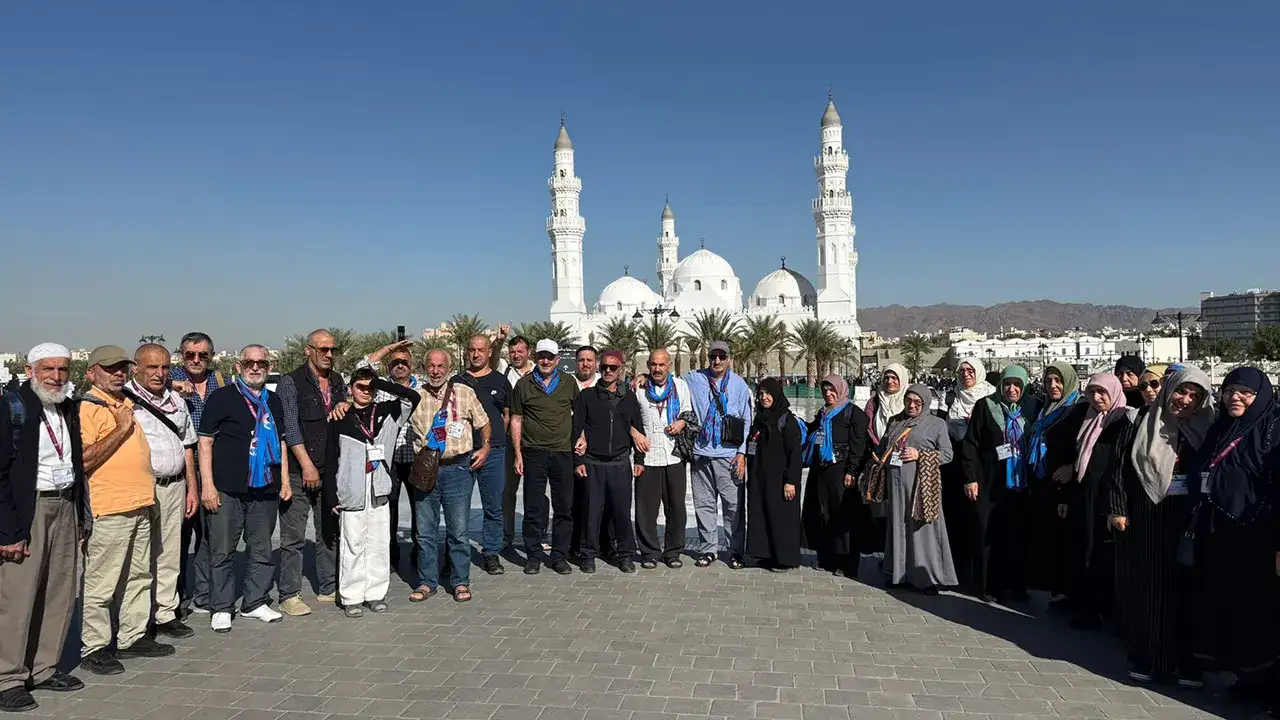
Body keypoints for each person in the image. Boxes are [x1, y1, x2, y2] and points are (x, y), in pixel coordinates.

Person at [1108, 367, 1214, 685]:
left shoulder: (1208, 427)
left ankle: (1187, 661)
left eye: (1195, 396)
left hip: (1191, 517)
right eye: (1181, 391)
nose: (1185, 400)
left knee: (1190, 589)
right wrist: (1117, 509)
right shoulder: (1141, 422)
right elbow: (1118, 468)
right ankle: (1151, 658)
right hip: (1150, 515)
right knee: (1154, 588)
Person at [0, 344, 88, 713]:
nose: (55, 376)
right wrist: (8, 531)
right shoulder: (12, 408)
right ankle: (8, 678)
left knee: (60, 589)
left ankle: (45, 666)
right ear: (29, 369)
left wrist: (82, 516)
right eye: (48, 369)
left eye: (62, 370)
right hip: (30, 508)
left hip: (65, 503)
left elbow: (76, 462)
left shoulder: (66, 407)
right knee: (17, 598)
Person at [78, 346, 171, 674]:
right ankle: (95, 646)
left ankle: (132, 636)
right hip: (110, 508)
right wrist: (120, 428)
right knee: (102, 582)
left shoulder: (124, 403)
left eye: (122, 367)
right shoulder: (88, 407)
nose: (118, 373)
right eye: (109, 368)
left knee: (139, 575)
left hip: (140, 504)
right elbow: (84, 460)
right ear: (91, 373)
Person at [1187, 367, 1278, 703]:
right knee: (1228, 606)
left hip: (1255, 535)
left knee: (1254, 610)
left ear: (1260, 396)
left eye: (1244, 392)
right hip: (1219, 531)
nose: (1234, 398)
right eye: (1228, 391)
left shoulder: (1271, 429)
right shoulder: (1221, 427)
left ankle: (1259, 682)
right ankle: (1239, 676)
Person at [199, 345, 292, 633]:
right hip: (227, 488)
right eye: (249, 362)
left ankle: (254, 601)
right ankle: (222, 606)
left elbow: (283, 442)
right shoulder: (222, 398)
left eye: (261, 363)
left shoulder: (274, 401)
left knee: (262, 548)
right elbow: (205, 442)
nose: (255, 367)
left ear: (268, 366)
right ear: (238, 366)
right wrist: (207, 486)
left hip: (265, 487)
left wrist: (285, 480)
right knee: (223, 549)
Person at [323, 366, 420, 617]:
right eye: (360, 387)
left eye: (370, 387)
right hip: (352, 488)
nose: (365, 391)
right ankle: (351, 596)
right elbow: (331, 459)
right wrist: (332, 494)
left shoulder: (389, 412)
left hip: (379, 486)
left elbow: (412, 397)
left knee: (378, 542)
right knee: (353, 543)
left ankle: (375, 594)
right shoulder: (340, 417)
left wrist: (380, 384)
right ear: (350, 389)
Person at [125, 344, 198, 641]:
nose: (159, 373)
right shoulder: (124, 400)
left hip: (175, 484)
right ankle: (138, 621)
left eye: (165, 367)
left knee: (170, 551)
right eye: (152, 367)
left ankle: (166, 611)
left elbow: (187, 444)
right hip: (143, 486)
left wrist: (192, 487)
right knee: (141, 557)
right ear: (136, 367)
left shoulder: (176, 400)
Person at [407, 349, 491, 602]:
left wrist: (485, 446)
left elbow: (484, 422)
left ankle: (460, 581)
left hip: (457, 469)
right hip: (425, 470)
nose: (435, 370)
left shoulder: (464, 393)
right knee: (425, 531)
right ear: (424, 368)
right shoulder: (415, 397)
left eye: (440, 366)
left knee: (458, 530)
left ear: (449, 368)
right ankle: (427, 582)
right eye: (431, 365)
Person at [1049, 373, 1129, 629]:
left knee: (1103, 556)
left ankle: (1103, 611)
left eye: (1102, 392)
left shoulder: (1124, 420)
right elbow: (1077, 458)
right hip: (1083, 495)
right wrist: (1067, 494)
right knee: (1083, 550)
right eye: (1092, 392)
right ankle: (1085, 607)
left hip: (1109, 501)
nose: (1096, 398)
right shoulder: (1086, 419)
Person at [277, 329, 346, 616]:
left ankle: (328, 587)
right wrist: (306, 465)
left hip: (329, 468)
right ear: (308, 350)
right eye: (323, 349)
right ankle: (289, 594)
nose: (329, 355)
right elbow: (290, 428)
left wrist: (345, 403)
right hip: (298, 469)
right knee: (293, 537)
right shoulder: (290, 383)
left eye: (332, 349)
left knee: (328, 531)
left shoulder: (338, 381)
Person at [960, 365, 1042, 603]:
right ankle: (989, 586)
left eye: (1017, 384)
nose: (1012, 389)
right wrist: (971, 478)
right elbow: (971, 444)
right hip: (989, 483)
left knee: (1017, 535)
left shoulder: (1032, 407)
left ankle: (1017, 585)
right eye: (1007, 384)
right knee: (989, 533)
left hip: (1021, 485)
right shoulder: (986, 407)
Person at [169, 331, 231, 617]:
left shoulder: (222, 383)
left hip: (214, 471)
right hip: (180, 472)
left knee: (210, 537)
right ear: (181, 354)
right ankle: (173, 598)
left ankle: (204, 595)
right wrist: (171, 383)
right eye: (190, 354)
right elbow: (138, 385)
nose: (196, 360)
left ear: (211, 356)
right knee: (176, 541)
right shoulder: (168, 380)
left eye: (202, 355)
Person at [871, 384, 956, 593]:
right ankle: (899, 574)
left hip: (921, 486)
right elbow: (883, 447)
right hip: (896, 485)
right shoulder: (895, 421)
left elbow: (947, 454)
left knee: (922, 529)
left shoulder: (936, 424)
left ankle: (926, 578)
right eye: (909, 401)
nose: (912, 405)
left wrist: (920, 455)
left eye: (917, 402)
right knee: (898, 526)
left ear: (925, 402)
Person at [570, 349, 644, 573]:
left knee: (621, 513)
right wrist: (578, 461)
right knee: (591, 512)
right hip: (593, 463)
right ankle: (588, 555)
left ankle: (624, 555)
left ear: (620, 369)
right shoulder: (587, 396)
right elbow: (577, 430)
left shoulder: (629, 398)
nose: (608, 371)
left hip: (620, 463)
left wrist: (639, 459)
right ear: (599, 369)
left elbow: (638, 429)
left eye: (613, 367)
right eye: (604, 367)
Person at [510, 340, 579, 575]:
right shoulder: (523, 384)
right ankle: (533, 556)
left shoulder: (569, 383)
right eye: (541, 356)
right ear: (535, 357)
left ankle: (559, 556)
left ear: (558, 359)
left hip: (562, 453)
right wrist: (518, 453)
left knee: (563, 507)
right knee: (533, 507)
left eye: (550, 357)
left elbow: (579, 415)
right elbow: (516, 419)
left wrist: (582, 439)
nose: (546, 361)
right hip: (533, 453)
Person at [354, 340, 422, 570]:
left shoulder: (421, 388)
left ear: (412, 365)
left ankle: (418, 551)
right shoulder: (379, 388)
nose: (400, 366)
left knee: (419, 508)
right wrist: (389, 348)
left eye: (405, 362)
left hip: (415, 457)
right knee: (388, 508)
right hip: (388, 459)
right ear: (388, 365)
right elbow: (363, 366)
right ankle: (390, 554)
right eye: (395, 362)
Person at [685, 340, 752, 569]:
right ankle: (708, 549)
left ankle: (735, 551)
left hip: (729, 455)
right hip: (701, 454)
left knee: (733, 507)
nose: (717, 361)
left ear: (729, 359)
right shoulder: (694, 379)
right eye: (713, 356)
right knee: (704, 505)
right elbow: (669, 384)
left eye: (722, 357)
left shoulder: (739, 385)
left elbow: (746, 420)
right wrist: (643, 377)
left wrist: (742, 453)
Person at [455, 334, 513, 575]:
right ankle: (456, 555)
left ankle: (491, 553)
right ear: (466, 352)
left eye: (481, 350)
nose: (476, 354)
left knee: (493, 507)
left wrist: (497, 439)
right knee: (458, 508)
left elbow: (508, 414)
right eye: (472, 350)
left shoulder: (501, 381)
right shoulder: (457, 381)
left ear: (489, 352)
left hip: (494, 452)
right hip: (463, 452)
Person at [800, 374, 869, 577]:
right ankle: (827, 557)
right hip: (821, 470)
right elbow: (812, 431)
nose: (828, 393)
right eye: (825, 390)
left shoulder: (853, 413)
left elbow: (858, 445)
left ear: (840, 390)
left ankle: (846, 562)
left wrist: (852, 471)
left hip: (842, 470)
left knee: (843, 515)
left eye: (832, 390)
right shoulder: (823, 413)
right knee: (823, 513)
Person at [633, 349, 695, 569]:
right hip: (648, 458)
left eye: (661, 365)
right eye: (653, 365)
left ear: (669, 365)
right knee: (646, 509)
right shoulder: (638, 388)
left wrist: (681, 423)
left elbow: (688, 413)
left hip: (673, 456)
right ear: (648, 365)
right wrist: (634, 433)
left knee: (676, 508)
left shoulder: (680, 387)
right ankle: (649, 552)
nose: (657, 369)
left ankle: (673, 552)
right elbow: (628, 416)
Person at [940, 358, 995, 591]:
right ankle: (956, 569)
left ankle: (981, 573)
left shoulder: (991, 397)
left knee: (979, 517)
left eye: (971, 370)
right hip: (954, 461)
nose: (966, 374)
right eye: (961, 370)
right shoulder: (951, 397)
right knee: (955, 514)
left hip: (982, 463)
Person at [745, 378, 804, 572]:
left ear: (777, 394)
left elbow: (795, 454)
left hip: (781, 480)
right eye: (760, 394)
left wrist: (791, 481)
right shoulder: (760, 418)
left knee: (781, 519)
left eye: (768, 393)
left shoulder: (786, 420)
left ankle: (785, 559)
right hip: (761, 478)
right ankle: (766, 554)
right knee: (763, 514)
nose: (764, 397)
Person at [495, 333, 534, 552]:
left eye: (520, 351)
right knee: (507, 491)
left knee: (535, 490)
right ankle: (506, 535)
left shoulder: (540, 370)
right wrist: (499, 341)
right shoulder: (505, 370)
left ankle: (534, 535)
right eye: (512, 352)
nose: (516, 355)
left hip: (535, 439)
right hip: (511, 440)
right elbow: (492, 359)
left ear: (528, 352)